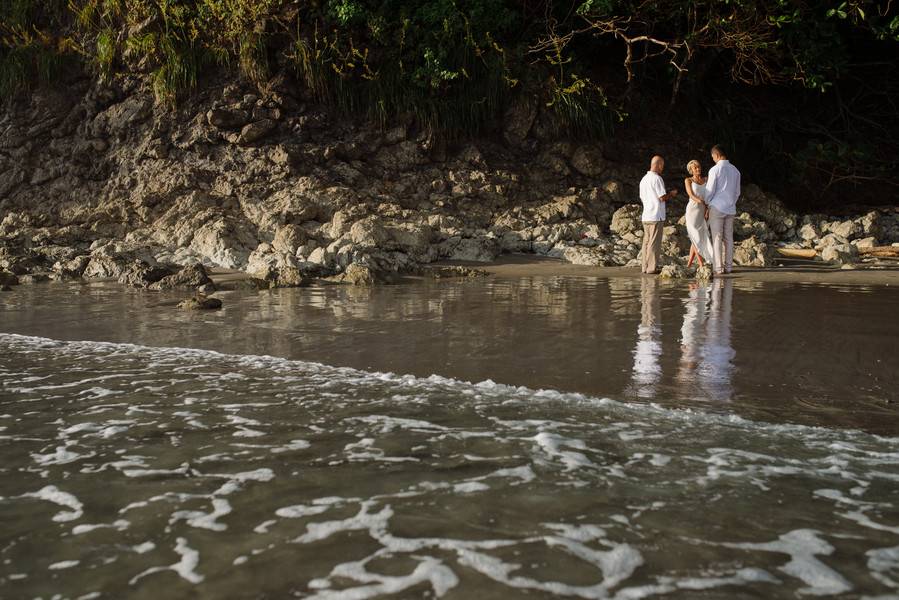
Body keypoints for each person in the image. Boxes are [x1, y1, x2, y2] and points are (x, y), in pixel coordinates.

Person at [704, 145, 741, 275]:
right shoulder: (736, 171)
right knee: (729, 238)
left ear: (717, 155)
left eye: (713, 156)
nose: (713, 159)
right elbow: (737, 192)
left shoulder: (715, 170)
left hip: (717, 206)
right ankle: (729, 267)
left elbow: (709, 191)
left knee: (717, 237)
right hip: (730, 208)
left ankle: (718, 268)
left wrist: (707, 203)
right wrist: (732, 202)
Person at [639, 155, 678, 274]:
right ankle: (651, 268)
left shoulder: (643, 179)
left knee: (646, 242)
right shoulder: (657, 179)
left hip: (646, 215)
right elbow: (662, 197)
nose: (662, 168)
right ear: (659, 165)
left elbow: (642, 197)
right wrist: (671, 194)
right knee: (654, 243)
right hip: (656, 215)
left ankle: (644, 267)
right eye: (662, 166)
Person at [683, 159, 714, 267]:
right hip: (692, 210)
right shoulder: (688, 180)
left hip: (703, 210)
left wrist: (707, 208)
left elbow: (711, 193)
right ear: (691, 170)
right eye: (695, 168)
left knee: (697, 237)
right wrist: (701, 202)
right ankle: (701, 264)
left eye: (699, 167)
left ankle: (689, 264)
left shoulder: (706, 179)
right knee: (694, 236)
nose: (698, 169)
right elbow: (691, 195)